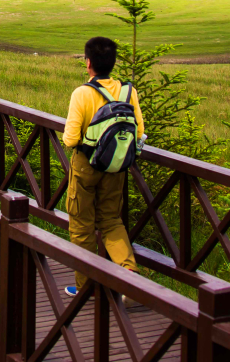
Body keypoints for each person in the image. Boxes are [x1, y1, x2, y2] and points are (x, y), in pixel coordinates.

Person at [62, 36, 145, 297]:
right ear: (113, 62)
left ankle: (87, 287)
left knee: (81, 225)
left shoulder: (82, 93)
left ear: (88, 63)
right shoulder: (128, 92)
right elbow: (139, 130)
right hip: (116, 166)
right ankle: (128, 273)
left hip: (86, 165)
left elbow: (70, 139)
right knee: (111, 219)